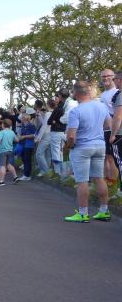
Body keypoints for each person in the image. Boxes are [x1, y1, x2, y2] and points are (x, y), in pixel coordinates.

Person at [63, 81, 111, 222]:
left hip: (82, 147)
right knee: (99, 178)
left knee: (82, 181)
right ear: (88, 92)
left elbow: (71, 136)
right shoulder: (101, 106)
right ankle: (104, 211)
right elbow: (108, 124)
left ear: (75, 93)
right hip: (99, 145)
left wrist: (69, 146)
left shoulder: (76, 111)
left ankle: (83, 213)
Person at [99, 69, 118, 184]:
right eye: (103, 76)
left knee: (112, 157)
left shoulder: (117, 92)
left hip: (113, 130)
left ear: (114, 77)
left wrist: (113, 131)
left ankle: (114, 183)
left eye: (108, 76)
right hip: (103, 130)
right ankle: (108, 182)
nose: (105, 78)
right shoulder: (102, 94)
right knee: (105, 157)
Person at [0, 119, 19, 186]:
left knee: (2, 165)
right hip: (10, 150)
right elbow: (17, 140)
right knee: (8, 164)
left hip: (3, 151)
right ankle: (15, 177)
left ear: (3, 125)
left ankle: (1, 181)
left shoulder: (2, 132)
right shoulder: (12, 132)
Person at [48, 89, 69, 178]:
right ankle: (62, 172)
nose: (55, 100)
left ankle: (58, 173)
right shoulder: (68, 106)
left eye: (56, 98)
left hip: (56, 132)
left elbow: (49, 121)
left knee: (56, 152)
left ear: (60, 96)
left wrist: (54, 122)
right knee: (60, 152)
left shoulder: (57, 109)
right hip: (64, 132)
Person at [34, 100, 52, 176]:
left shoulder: (47, 113)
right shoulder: (53, 112)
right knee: (48, 154)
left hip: (46, 135)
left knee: (39, 153)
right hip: (52, 134)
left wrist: (38, 138)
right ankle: (45, 171)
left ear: (48, 105)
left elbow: (44, 125)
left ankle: (46, 171)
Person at [18, 112, 37, 180]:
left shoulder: (31, 126)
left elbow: (34, 135)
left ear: (25, 119)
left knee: (27, 160)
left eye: (22, 118)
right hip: (24, 144)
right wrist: (20, 137)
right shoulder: (24, 125)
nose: (20, 119)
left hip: (29, 145)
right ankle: (26, 174)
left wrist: (24, 136)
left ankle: (27, 175)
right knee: (24, 159)